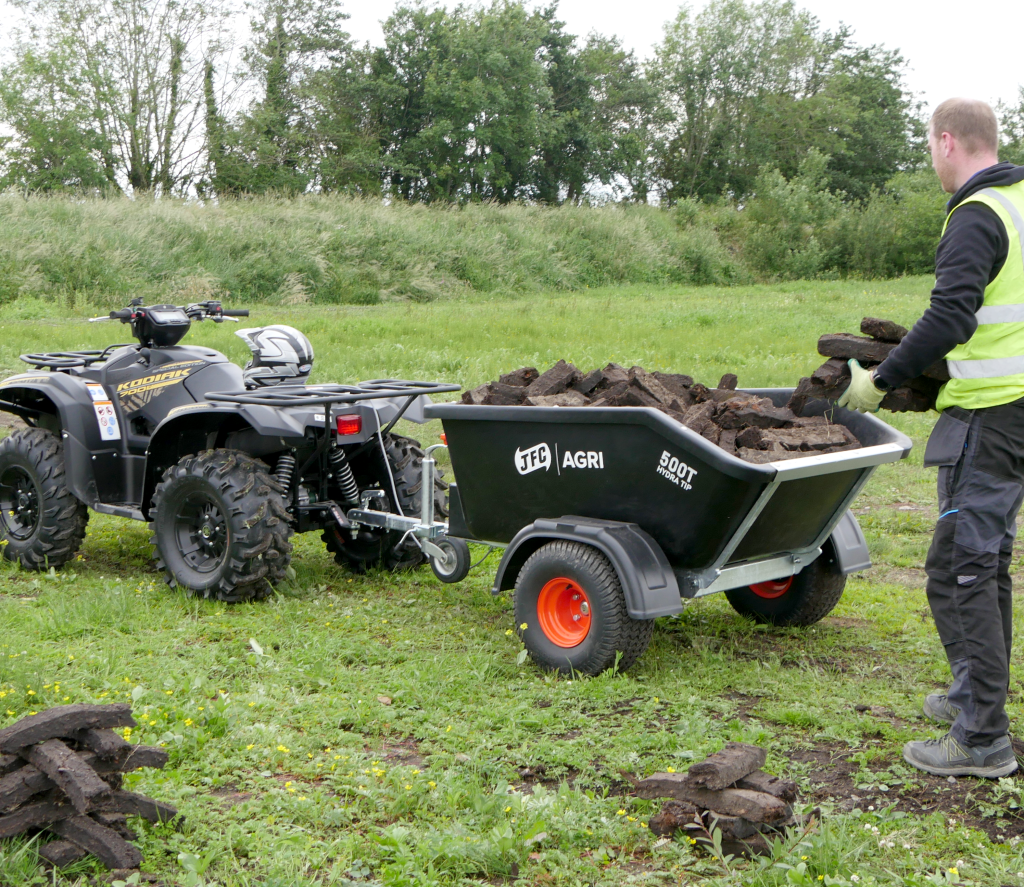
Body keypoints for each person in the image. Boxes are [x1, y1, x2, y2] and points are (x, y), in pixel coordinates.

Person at [838, 97, 1024, 778]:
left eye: (930, 147)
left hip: (990, 415)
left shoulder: (977, 214)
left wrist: (882, 379)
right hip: (1014, 415)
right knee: (976, 563)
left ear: (948, 141)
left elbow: (951, 313)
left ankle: (982, 737)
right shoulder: (1020, 202)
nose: (932, 159)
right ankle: (971, 696)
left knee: (964, 568)